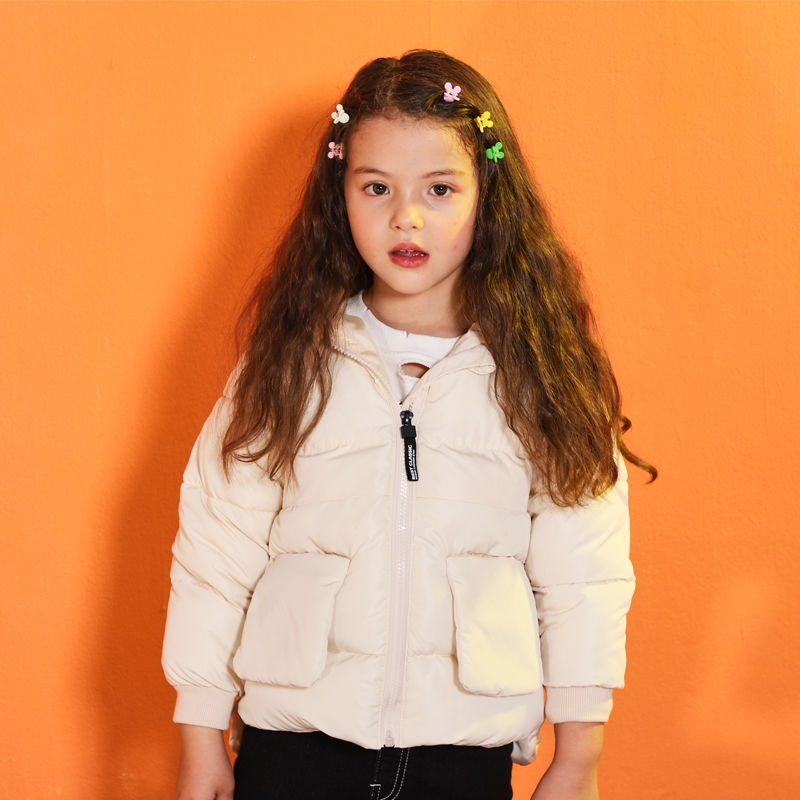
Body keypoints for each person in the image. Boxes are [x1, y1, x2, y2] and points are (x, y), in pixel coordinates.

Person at [162, 49, 655, 800]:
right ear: (340, 197)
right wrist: (200, 735)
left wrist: (579, 753)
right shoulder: (289, 362)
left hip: (462, 756)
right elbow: (216, 549)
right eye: (377, 187)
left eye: (440, 188)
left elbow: (583, 570)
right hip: (295, 749)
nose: (406, 216)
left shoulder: (540, 374)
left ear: (489, 197)